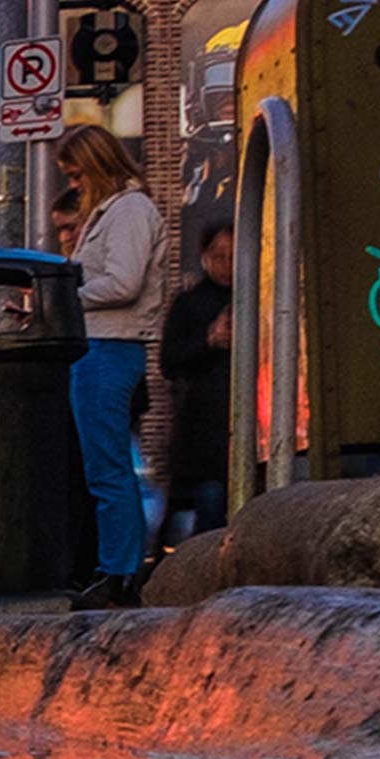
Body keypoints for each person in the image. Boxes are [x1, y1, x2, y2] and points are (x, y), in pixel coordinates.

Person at [57, 124, 164, 599]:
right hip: (99, 344)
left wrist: (66, 298)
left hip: (111, 346)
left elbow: (124, 282)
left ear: (97, 166)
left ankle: (118, 571)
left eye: (77, 174)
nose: (74, 185)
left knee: (107, 466)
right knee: (101, 465)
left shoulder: (129, 211)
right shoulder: (113, 212)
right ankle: (113, 567)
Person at [162, 219, 233, 541]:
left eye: (234, 256)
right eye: (220, 257)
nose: (227, 266)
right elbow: (170, 361)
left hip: (248, 423)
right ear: (205, 256)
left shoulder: (261, 296)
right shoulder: (190, 303)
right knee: (210, 508)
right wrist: (208, 341)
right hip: (205, 427)